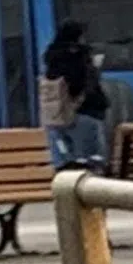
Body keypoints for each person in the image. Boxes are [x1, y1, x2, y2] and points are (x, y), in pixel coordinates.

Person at [41, 16, 108, 169]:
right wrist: (93, 70)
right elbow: (79, 82)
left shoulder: (52, 58)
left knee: (64, 162)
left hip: (58, 116)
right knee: (89, 161)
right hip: (84, 113)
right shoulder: (78, 57)